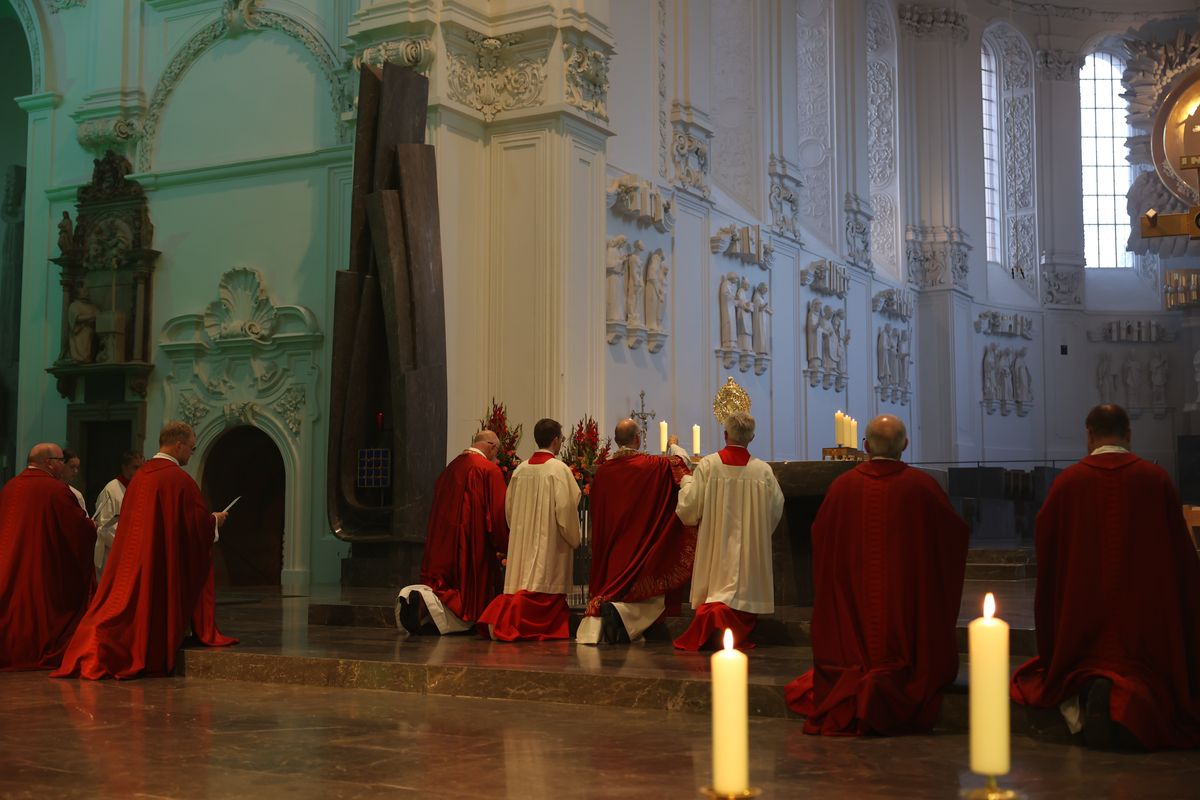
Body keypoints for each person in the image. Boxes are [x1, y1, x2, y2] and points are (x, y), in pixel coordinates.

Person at [1011, 404, 1200, 750]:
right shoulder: (1155, 479)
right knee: (1146, 667)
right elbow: (1181, 555)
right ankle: (1133, 698)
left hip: (1083, 613)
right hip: (1143, 621)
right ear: (1128, 434)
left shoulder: (1067, 483)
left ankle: (1090, 686)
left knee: (1083, 658)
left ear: (1089, 435)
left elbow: (1048, 547)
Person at [786, 415, 969, 735]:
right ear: (905, 445)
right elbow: (953, 537)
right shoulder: (923, 487)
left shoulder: (842, 487)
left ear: (866, 446)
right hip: (904, 602)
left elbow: (822, 538)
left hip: (856, 599)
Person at [53, 421, 237, 680]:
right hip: (158, 563)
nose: (191, 453)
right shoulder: (178, 480)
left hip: (132, 560)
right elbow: (194, 526)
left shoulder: (141, 476)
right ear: (178, 445)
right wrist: (214, 521)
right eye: (191, 448)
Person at [577, 419, 696, 645]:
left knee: (614, 587)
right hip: (640, 544)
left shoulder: (603, 471)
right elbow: (680, 463)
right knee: (649, 596)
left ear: (615, 440)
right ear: (637, 439)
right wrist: (673, 444)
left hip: (613, 547)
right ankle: (620, 614)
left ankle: (611, 616)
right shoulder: (651, 465)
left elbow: (598, 514)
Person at [673, 411, 784, 650]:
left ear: (725, 435)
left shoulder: (708, 465)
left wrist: (686, 482)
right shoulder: (763, 471)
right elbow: (776, 508)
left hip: (716, 546)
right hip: (748, 556)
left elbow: (689, 507)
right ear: (752, 437)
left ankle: (715, 613)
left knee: (716, 587)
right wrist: (757, 533)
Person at [396, 430, 509, 635]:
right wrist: (505, 545)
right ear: (492, 447)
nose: (497, 457)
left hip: (442, 542)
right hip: (471, 544)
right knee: (465, 596)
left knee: (444, 586)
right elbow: (497, 515)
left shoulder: (450, 468)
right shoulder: (488, 470)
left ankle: (423, 605)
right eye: (497, 452)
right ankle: (426, 607)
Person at [477, 418, 580, 641]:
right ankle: (510, 623)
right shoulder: (559, 470)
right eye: (561, 438)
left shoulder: (520, 470)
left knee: (522, 584)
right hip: (550, 545)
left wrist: (521, 531)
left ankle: (501, 618)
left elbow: (509, 510)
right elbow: (566, 510)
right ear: (556, 440)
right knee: (544, 586)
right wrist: (574, 537)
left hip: (523, 543)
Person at [0, 444, 97, 670]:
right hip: (42, 569)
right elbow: (78, 530)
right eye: (62, 461)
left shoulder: (10, 486)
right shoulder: (55, 490)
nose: (63, 466)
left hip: (10, 564)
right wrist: (90, 527)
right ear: (49, 463)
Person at [92, 450, 145, 577]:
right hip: (113, 553)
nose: (139, 471)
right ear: (124, 467)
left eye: (141, 468)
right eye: (135, 467)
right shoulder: (111, 489)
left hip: (134, 552)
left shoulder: (139, 488)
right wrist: (127, 546)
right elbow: (105, 525)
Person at [61, 448, 86, 512]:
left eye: (77, 467)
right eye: (72, 467)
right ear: (61, 465)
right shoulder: (50, 489)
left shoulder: (76, 495)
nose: (76, 471)